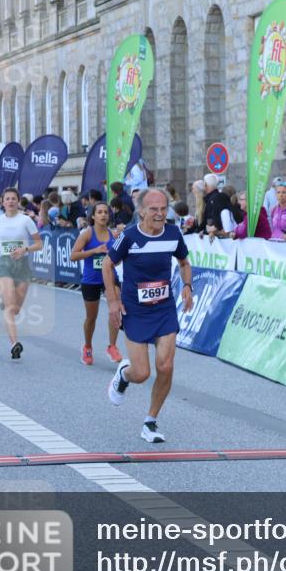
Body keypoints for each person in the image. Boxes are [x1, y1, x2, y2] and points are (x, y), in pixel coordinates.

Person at [103, 188, 194, 444]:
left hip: (164, 308)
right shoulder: (129, 236)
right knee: (141, 373)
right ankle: (124, 374)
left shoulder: (173, 233)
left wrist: (188, 286)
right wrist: (113, 301)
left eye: (164, 208)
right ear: (141, 211)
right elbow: (108, 265)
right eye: (154, 209)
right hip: (135, 309)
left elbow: (184, 262)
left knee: (165, 366)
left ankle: (150, 421)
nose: (160, 213)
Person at [0, 188, 43, 359]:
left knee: (16, 309)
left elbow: (39, 244)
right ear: (2, 202)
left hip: (22, 265)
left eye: (13, 199)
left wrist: (25, 249)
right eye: (7, 199)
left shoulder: (26, 220)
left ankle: (5, 300)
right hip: (4, 264)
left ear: (18, 201)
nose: (10, 201)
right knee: (10, 307)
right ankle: (14, 344)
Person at [70, 201, 123, 366]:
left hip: (110, 278)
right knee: (91, 317)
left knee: (115, 309)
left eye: (106, 212)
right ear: (93, 216)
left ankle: (112, 346)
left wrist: (114, 260)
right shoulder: (87, 234)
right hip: (91, 279)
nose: (103, 215)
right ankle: (87, 346)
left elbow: (118, 260)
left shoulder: (113, 235)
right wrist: (95, 251)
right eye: (99, 212)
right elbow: (73, 256)